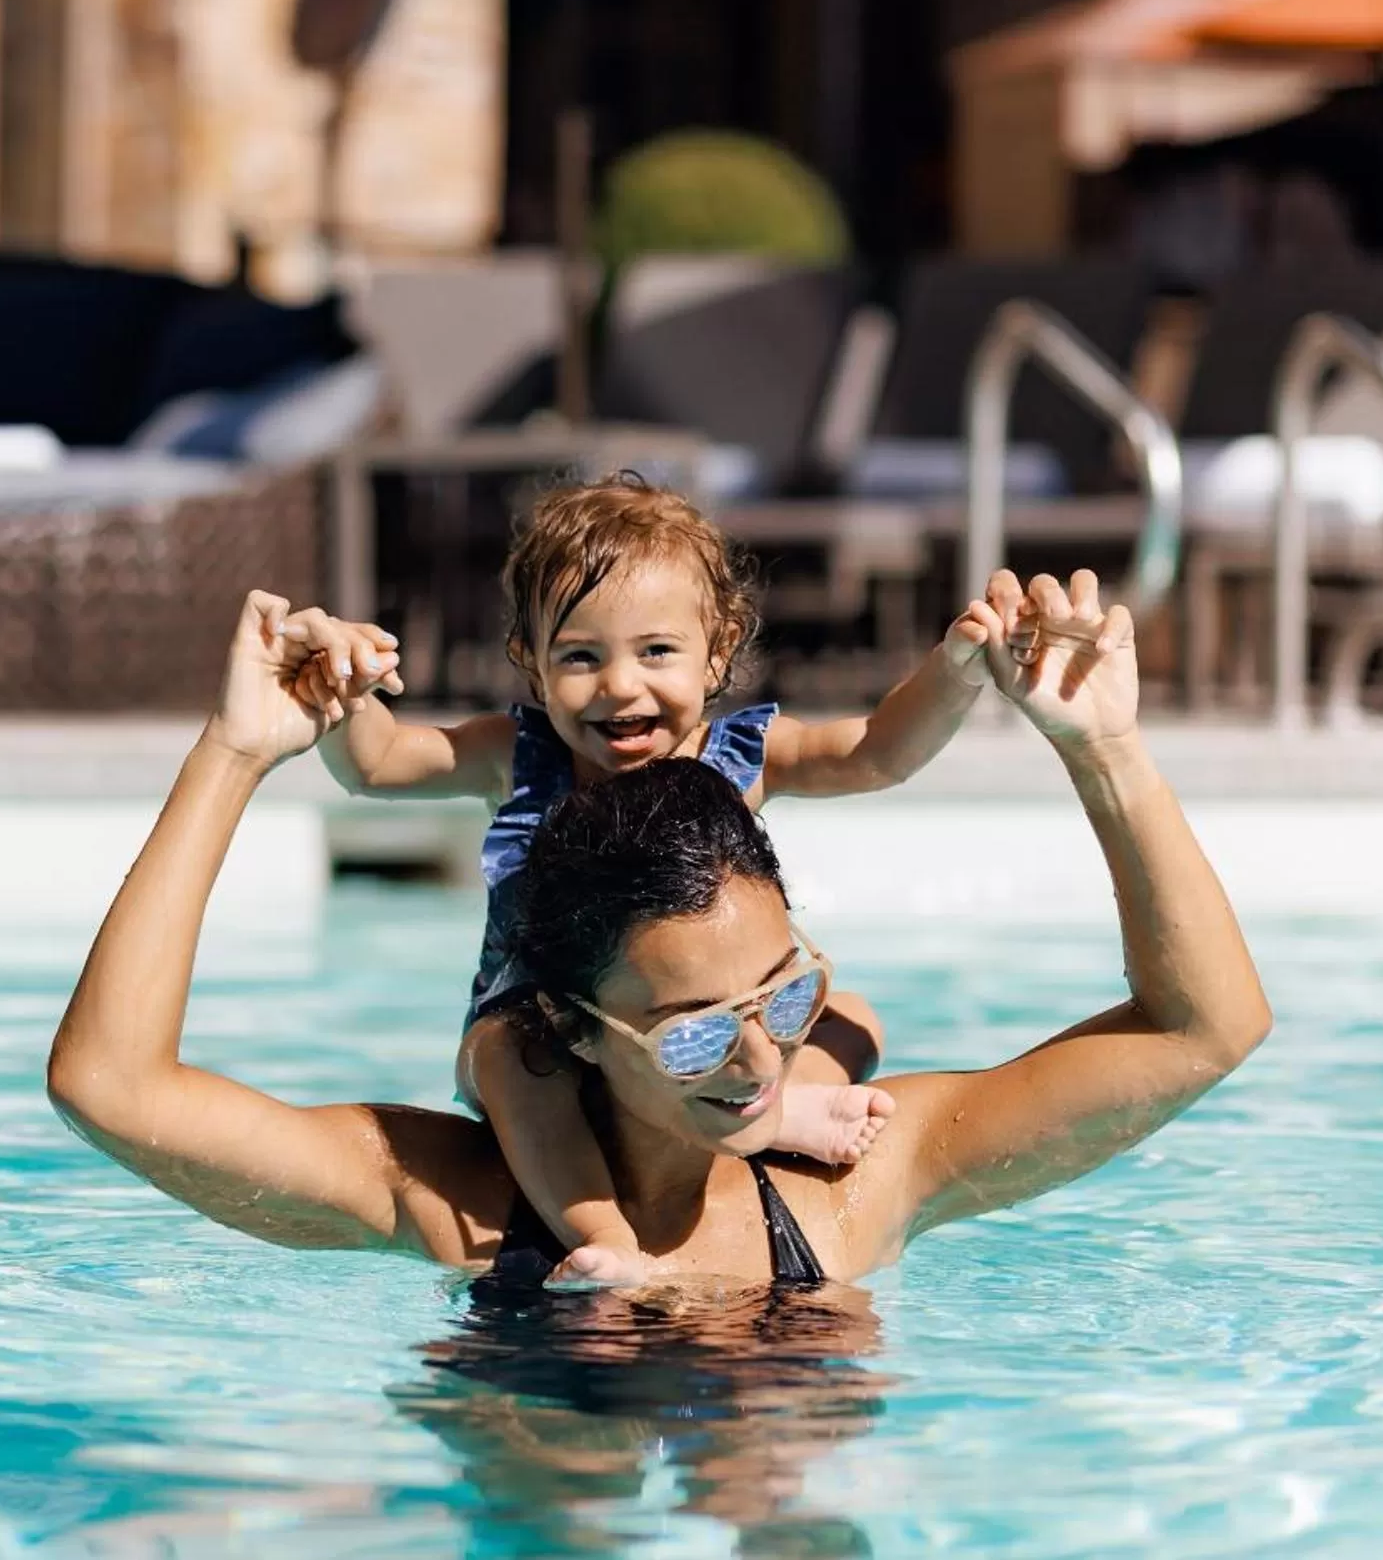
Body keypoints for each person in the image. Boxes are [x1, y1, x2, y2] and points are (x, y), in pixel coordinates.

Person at [45, 569, 1271, 1287]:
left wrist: (1102, 747)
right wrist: (234, 754)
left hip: (782, 1443)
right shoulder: (468, 1203)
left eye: (786, 997)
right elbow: (109, 1085)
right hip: (541, 1457)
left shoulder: (854, 1181)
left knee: (778, 1472)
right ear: (574, 1033)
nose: (758, 1063)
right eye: (691, 1036)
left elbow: (1207, 1028)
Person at [283, 474, 995, 1285]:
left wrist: (958, 671)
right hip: (550, 1036)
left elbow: (876, 752)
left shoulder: (737, 757)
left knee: (852, 1017)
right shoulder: (519, 758)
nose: (621, 685)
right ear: (532, 663)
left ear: (719, 647)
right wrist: (336, 688)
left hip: (701, 1044)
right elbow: (377, 764)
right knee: (511, 1059)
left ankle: (776, 1109)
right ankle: (606, 1237)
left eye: (657, 651)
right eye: (581, 656)